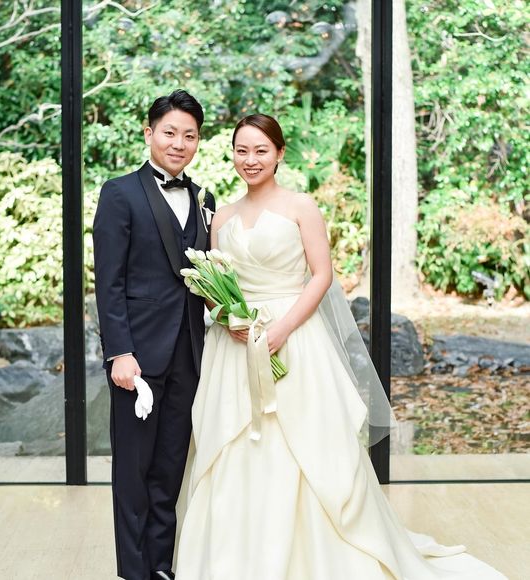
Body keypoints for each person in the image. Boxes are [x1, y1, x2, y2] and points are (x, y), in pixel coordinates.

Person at [175, 114, 506, 579]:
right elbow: (217, 280)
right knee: (233, 442)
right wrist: (229, 316)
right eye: (241, 150)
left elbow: (322, 275)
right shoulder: (222, 216)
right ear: (232, 154)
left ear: (279, 153)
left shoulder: (301, 206)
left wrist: (282, 329)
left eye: (261, 150)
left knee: (304, 444)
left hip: (293, 337)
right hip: (236, 345)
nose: (250, 160)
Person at [93, 89, 215, 580]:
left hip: (190, 354)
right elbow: (109, 283)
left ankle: (161, 567)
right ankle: (134, 573)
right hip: (138, 358)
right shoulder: (119, 193)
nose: (179, 143)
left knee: (169, 471)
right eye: (169, 133)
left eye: (189, 135)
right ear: (149, 133)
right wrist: (119, 352)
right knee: (133, 474)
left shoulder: (204, 199)